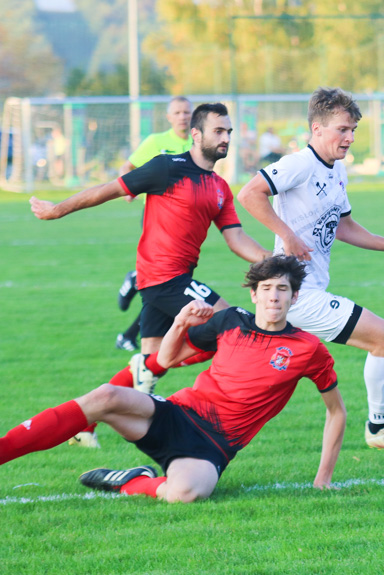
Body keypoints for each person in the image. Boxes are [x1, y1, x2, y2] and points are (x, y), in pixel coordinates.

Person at [0, 255, 347, 501]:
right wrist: (180, 322)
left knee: (183, 494)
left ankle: (132, 480)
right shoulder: (230, 321)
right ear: (254, 294)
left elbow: (336, 412)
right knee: (105, 396)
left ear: (294, 296)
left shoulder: (308, 348)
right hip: (177, 414)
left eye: (283, 289)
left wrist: (323, 479)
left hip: (213, 445)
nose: (274, 296)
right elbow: (165, 359)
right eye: (267, 288)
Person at [30, 103, 271, 448]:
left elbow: (236, 239)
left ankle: (85, 425)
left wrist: (276, 260)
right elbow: (108, 189)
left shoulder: (219, 186)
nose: (225, 138)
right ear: (196, 134)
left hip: (174, 278)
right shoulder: (166, 167)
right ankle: (202, 410)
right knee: (233, 325)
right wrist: (57, 209)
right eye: (218, 131)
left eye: (229, 132)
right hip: (164, 278)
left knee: (150, 361)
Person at [238, 87, 384, 457]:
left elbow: (344, 227)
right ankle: (380, 426)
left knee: (249, 379)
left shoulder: (337, 171)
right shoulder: (299, 164)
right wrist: (287, 235)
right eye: (343, 129)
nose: (350, 137)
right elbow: (249, 194)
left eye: (353, 130)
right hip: (298, 294)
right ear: (317, 128)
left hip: (304, 293)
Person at [115, 96, 194, 353]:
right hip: (157, 219)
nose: (183, 116)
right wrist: (130, 188)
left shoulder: (198, 142)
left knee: (168, 288)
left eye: (186, 112)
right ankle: (137, 278)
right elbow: (129, 165)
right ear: (169, 117)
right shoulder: (157, 143)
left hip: (187, 222)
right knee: (168, 284)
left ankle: (128, 333)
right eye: (178, 112)